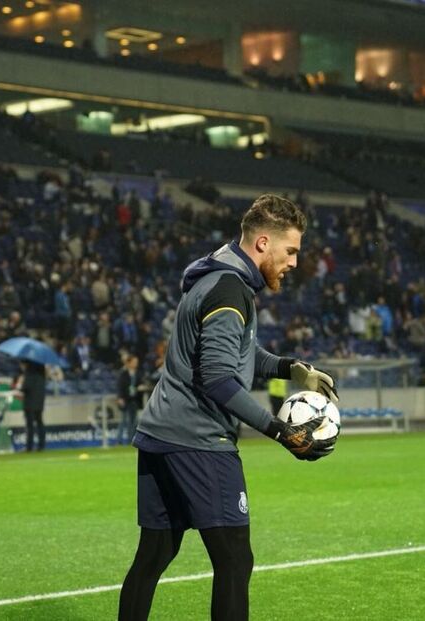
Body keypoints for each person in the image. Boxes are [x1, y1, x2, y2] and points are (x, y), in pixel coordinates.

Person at [118, 194, 339, 621]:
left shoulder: (218, 277)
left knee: (154, 555)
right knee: (235, 560)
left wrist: (290, 368)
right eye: (290, 250)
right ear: (262, 243)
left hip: (161, 435)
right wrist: (279, 431)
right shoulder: (230, 289)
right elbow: (218, 379)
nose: (294, 262)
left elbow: (241, 353)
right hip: (199, 441)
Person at [17, 361, 46, 451]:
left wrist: (20, 385)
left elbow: (26, 388)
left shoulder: (29, 375)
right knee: (40, 423)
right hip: (39, 403)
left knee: (30, 426)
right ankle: (41, 445)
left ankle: (29, 446)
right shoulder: (42, 375)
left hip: (29, 403)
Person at [116, 355, 142, 445]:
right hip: (125, 400)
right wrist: (120, 398)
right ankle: (118, 441)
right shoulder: (123, 374)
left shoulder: (138, 374)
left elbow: (141, 383)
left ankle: (131, 440)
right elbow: (119, 386)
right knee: (123, 421)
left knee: (133, 422)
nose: (136, 363)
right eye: (134, 362)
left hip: (134, 400)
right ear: (129, 363)